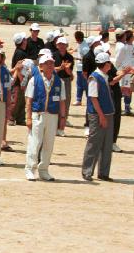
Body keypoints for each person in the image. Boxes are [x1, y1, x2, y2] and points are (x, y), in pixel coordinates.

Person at [24, 53, 65, 181]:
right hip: (38, 115)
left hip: (52, 115)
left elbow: (62, 101)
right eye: (47, 63)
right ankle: (30, 168)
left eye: (52, 63)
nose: (50, 65)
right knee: (35, 142)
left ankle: (44, 170)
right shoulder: (34, 80)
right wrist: (28, 117)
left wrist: (62, 118)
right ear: (41, 66)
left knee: (49, 144)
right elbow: (29, 100)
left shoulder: (59, 81)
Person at [81, 52, 118, 182]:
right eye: (109, 63)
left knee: (107, 145)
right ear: (105, 64)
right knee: (94, 143)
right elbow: (93, 99)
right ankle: (87, 171)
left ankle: (103, 172)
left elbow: (111, 83)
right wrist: (101, 116)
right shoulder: (94, 78)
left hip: (107, 113)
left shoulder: (103, 76)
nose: (110, 65)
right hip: (98, 115)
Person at [52, 36, 74, 136]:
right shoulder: (53, 56)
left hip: (66, 80)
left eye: (63, 44)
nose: (61, 46)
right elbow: (51, 69)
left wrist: (67, 69)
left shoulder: (70, 57)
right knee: (56, 101)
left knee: (66, 102)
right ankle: (54, 126)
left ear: (66, 45)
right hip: (56, 79)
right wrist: (60, 68)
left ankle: (61, 128)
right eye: (60, 44)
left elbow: (70, 73)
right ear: (57, 45)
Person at [11, 33, 30, 127]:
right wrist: (23, 81)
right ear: (22, 41)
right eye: (25, 39)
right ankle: (11, 118)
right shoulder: (20, 53)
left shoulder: (21, 51)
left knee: (22, 100)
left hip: (22, 79)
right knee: (17, 100)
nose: (26, 40)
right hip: (19, 80)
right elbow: (18, 68)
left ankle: (20, 118)